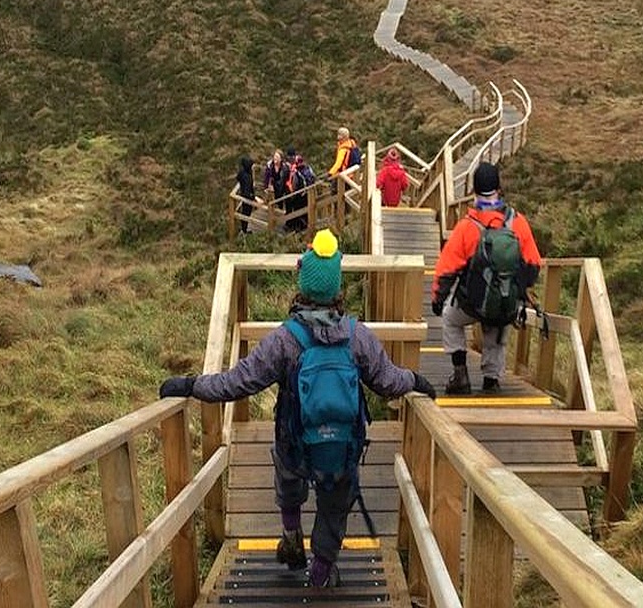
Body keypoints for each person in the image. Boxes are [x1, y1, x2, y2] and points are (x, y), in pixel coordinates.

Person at [159, 230, 437, 588]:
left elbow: (236, 382)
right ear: (337, 288)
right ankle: (321, 571)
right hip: (343, 448)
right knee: (335, 503)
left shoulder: (285, 340)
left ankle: (291, 537)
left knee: (287, 471)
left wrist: (191, 385)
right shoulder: (358, 336)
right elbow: (387, 380)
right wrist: (416, 380)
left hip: (295, 445)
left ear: (302, 287)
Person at [430, 162, 542, 394]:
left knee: (451, 318)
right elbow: (533, 266)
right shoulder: (517, 223)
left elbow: (446, 269)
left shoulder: (467, 227)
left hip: (472, 303)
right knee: (497, 325)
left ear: (474, 190)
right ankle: (492, 380)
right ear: (499, 187)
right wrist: (517, 289)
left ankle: (460, 375)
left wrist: (438, 299)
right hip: (505, 305)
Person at [286, 154, 315, 232]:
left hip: (299, 195)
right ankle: (305, 225)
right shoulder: (308, 168)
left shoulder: (297, 172)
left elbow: (294, 185)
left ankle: (297, 228)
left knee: (297, 211)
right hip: (308, 194)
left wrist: (291, 192)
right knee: (305, 211)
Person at [263, 149, 291, 228]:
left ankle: (281, 215)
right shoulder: (270, 165)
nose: (275, 158)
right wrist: (266, 186)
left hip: (283, 186)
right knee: (275, 201)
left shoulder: (285, 167)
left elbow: (287, 178)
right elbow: (267, 177)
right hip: (274, 185)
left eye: (277, 157)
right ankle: (275, 217)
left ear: (281, 159)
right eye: (274, 156)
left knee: (281, 200)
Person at [236, 155, 257, 234]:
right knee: (246, 213)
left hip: (243, 196)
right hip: (247, 199)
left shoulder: (242, 172)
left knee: (244, 213)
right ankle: (244, 230)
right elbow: (247, 193)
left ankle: (243, 229)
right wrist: (254, 197)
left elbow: (238, 178)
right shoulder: (247, 177)